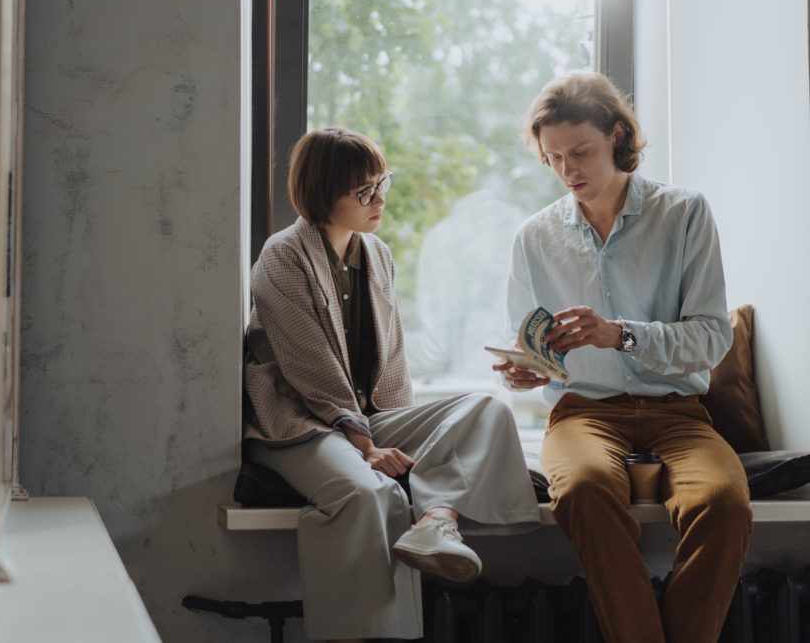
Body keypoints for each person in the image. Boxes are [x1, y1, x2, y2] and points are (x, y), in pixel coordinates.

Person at [244, 127, 540, 642]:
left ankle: (437, 522)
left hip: (365, 416)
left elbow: (393, 359)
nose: (379, 199)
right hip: (298, 422)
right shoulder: (282, 255)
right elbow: (308, 366)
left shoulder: (375, 254)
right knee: (368, 494)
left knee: (485, 410)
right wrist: (364, 444)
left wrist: (394, 435)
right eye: (363, 191)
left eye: (381, 183)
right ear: (321, 192)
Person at [494, 71, 751, 643]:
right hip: (582, 411)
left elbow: (712, 337)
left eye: (581, 151)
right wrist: (522, 369)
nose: (569, 171)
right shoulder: (533, 238)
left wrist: (622, 336)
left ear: (616, 135)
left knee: (725, 502)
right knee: (583, 490)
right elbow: (529, 347)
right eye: (554, 157)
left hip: (679, 412)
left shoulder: (684, 213)